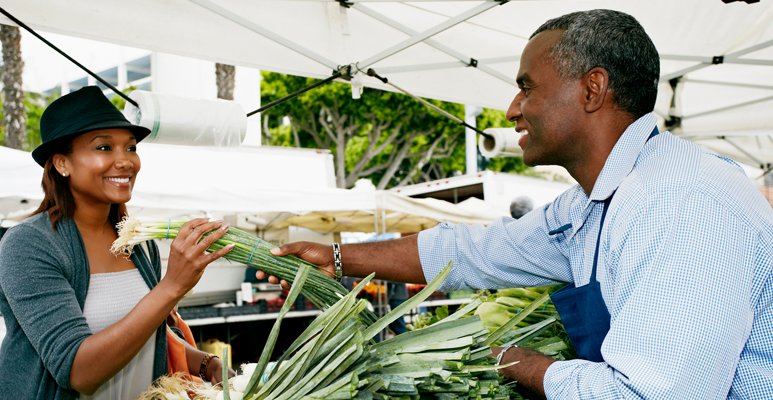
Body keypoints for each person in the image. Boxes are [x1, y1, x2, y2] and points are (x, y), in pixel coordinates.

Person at [257, 9, 773, 399]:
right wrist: (343, 258)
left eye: (527, 88)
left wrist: (520, 364)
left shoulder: (682, 205)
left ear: (593, 89)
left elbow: (651, 394)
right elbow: (478, 250)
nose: (511, 109)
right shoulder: (593, 204)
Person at [0, 86, 235, 400]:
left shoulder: (136, 242)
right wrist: (172, 286)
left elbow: (149, 333)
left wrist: (204, 363)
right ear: (62, 162)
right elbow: (78, 372)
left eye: (130, 147)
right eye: (104, 147)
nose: (125, 161)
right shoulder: (29, 245)